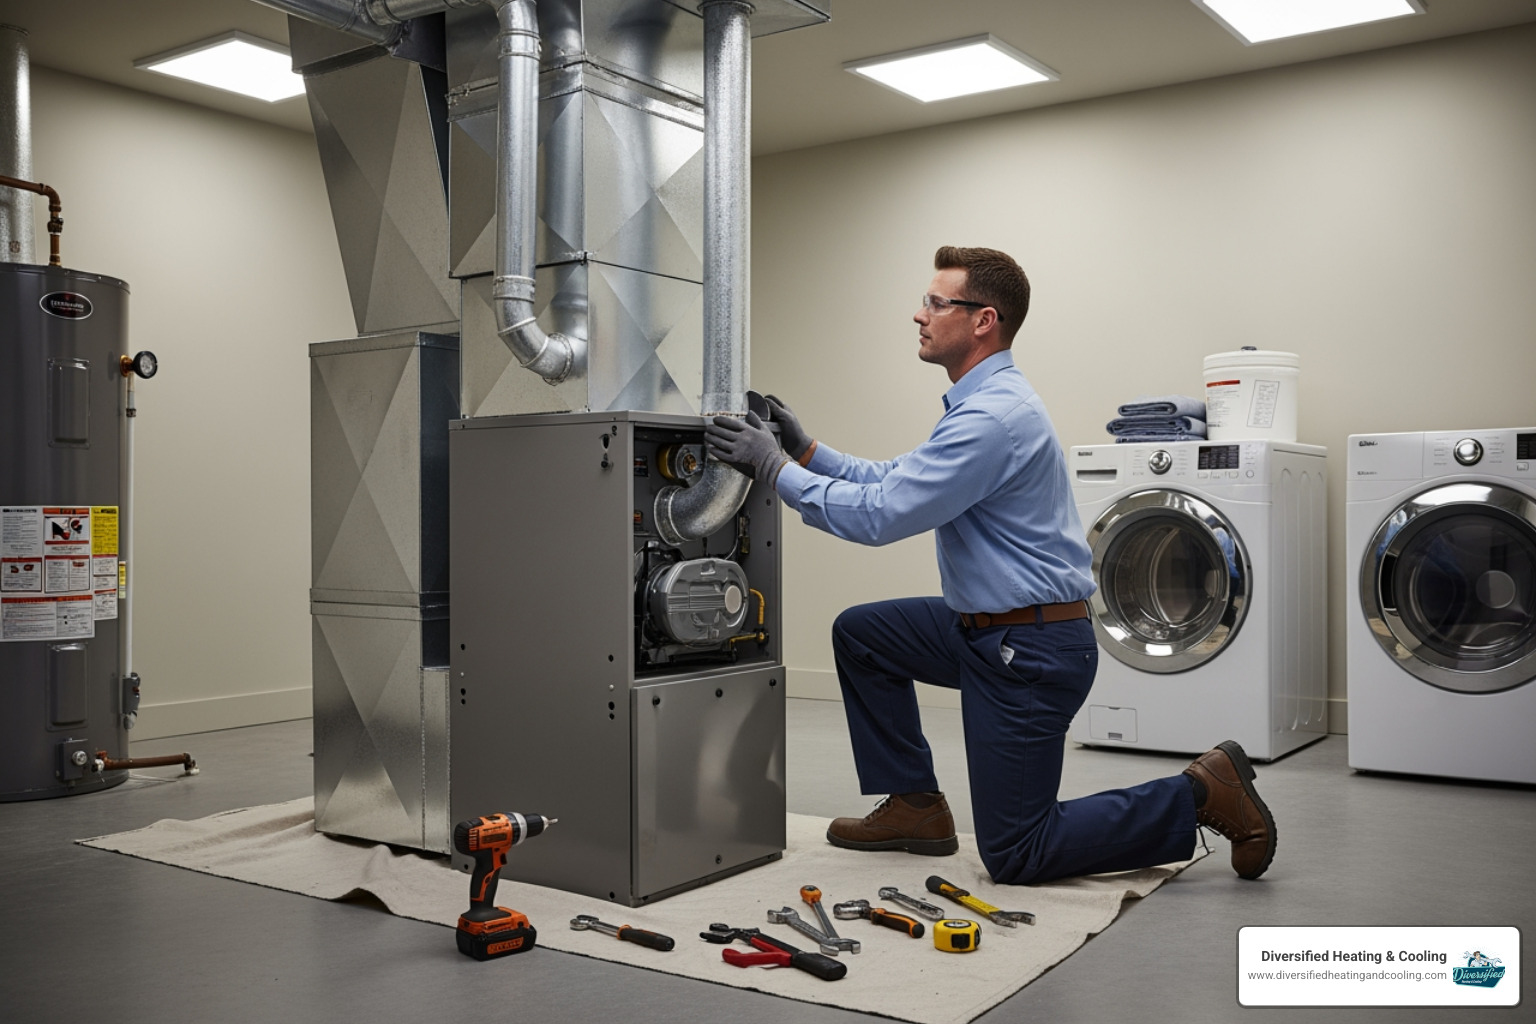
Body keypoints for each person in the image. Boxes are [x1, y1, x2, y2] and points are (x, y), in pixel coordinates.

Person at [704, 245, 1277, 885]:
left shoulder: (993, 419)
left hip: (1028, 652)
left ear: (984, 321)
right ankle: (916, 807)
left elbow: (879, 516)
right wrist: (806, 450)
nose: (918, 314)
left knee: (1017, 852)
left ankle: (1202, 793)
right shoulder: (980, 406)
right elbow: (896, 481)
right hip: (985, 629)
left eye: (936, 302)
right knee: (864, 635)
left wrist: (771, 468)